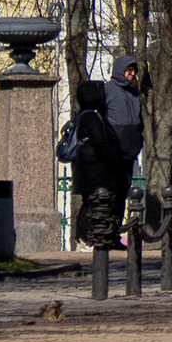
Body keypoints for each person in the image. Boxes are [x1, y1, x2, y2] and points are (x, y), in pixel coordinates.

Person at [59, 80, 131, 249]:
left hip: (93, 172)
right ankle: (87, 239)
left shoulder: (90, 115)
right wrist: (113, 160)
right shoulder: (91, 117)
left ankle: (104, 237)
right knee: (92, 205)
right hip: (95, 172)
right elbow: (100, 143)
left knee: (96, 204)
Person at [103, 55, 146, 172]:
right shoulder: (107, 90)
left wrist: (138, 141)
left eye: (133, 70)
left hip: (131, 150)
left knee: (126, 186)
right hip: (113, 150)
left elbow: (139, 120)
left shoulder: (134, 93)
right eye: (129, 70)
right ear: (120, 70)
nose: (132, 73)